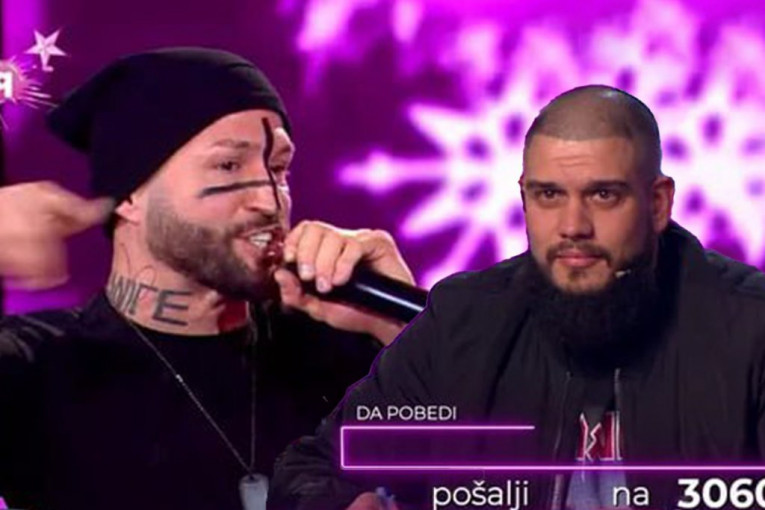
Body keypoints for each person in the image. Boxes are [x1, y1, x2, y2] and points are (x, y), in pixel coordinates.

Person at [269, 85, 765, 510]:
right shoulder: (463, 323)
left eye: (603, 195)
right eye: (549, 195)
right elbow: (313, 468)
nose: (573, 226)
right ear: (524, 196)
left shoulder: (751, 329)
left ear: (657, 203)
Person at [0, 47, 415, 510]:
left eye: (279, 169)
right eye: (229, 165)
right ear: (129, 196)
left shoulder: (345, 354)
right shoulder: (37, 367)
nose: (270, 201)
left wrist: (410, 330)